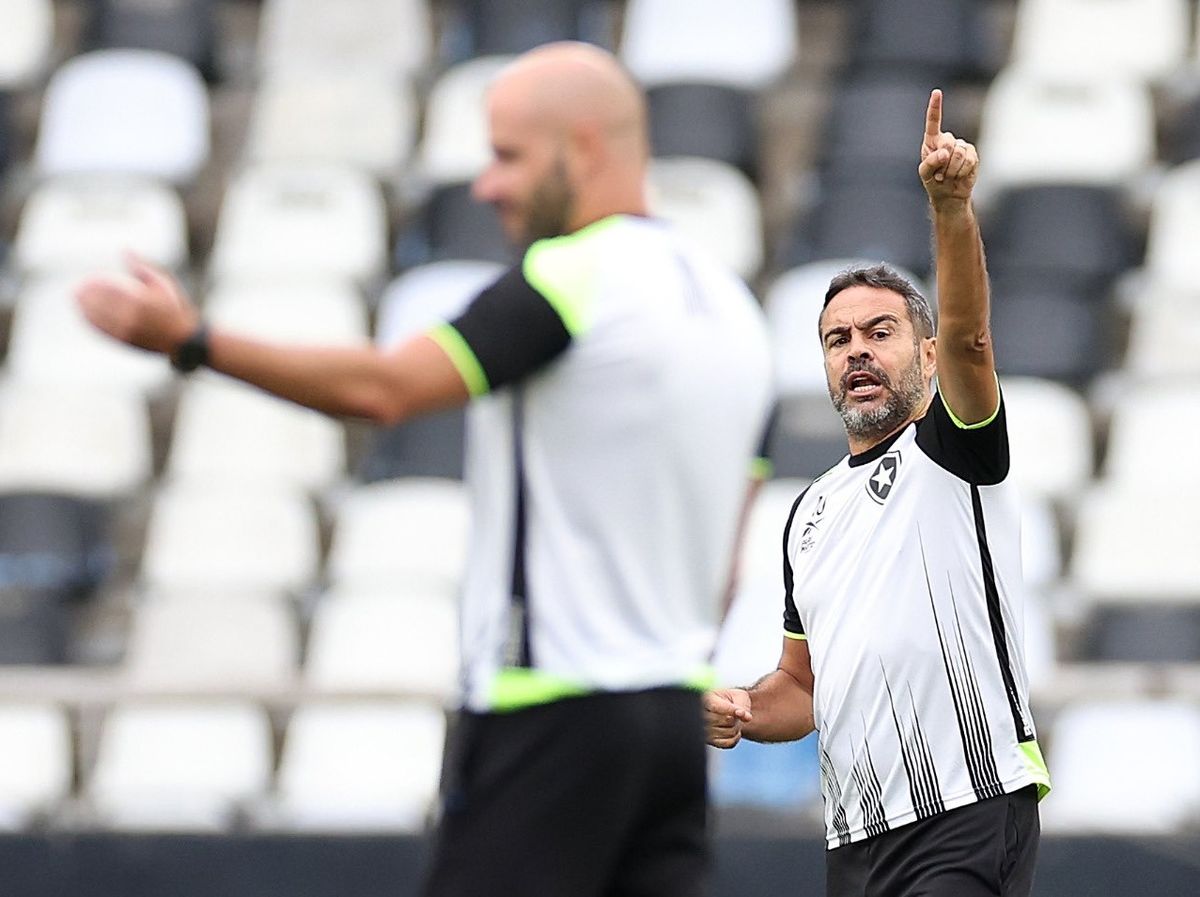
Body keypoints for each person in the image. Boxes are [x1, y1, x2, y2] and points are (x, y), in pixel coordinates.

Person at [77, 42, 773, 897]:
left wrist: (191, 341)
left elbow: (384, 389)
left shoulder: (570, 278)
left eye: (507, 155)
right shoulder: (731, 305)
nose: (487, 185)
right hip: (672, 721)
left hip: (549, 708)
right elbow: (731, 559)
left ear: (582, 147)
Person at [704, 90, 1051, 897]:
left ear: (925, 355)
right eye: (837, 340)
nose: (856, 350)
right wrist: (745, 711)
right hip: (855, 839)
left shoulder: (953, 447)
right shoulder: (809, 512)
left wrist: (951, 209)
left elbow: (972, 334)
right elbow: (802, 687)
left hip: (967, 807)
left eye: (879, 331)